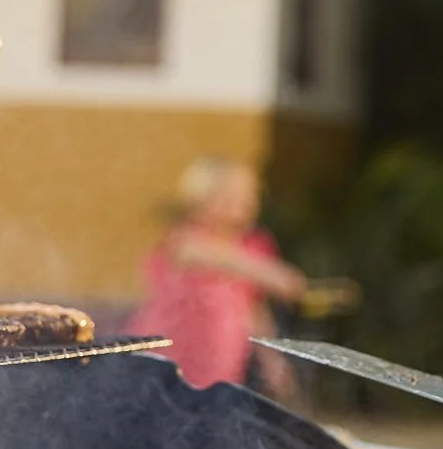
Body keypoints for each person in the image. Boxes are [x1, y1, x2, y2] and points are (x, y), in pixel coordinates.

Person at [123, 155, 307, 390]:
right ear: (200, 199)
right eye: (228, 194)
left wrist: (272, 360)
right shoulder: (187, 239)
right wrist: (271, 274)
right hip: (167, 355)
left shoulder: (252, 246)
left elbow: (253, 311)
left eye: (248, 194)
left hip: (220, 364)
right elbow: (209, 256)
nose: (243, 201)